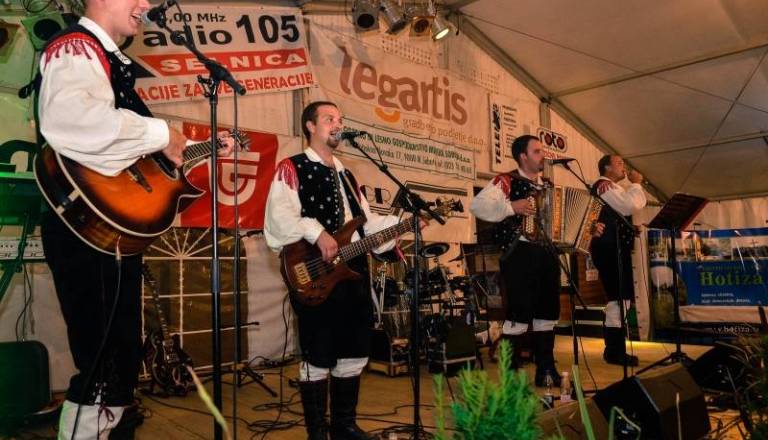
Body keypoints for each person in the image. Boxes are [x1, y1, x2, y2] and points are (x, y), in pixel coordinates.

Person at [35, 1, 234, 438]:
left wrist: (185, 148)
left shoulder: (108, 60)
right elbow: (78, 122)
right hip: (86, 229)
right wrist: (161, 133)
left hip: (110, 233)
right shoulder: (76, 48)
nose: (146, 4)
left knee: (118, 361)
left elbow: (136, 156)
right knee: (103, 364)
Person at [264, 101, 423, 440]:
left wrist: (400, 227)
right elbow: (279, 216)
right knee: (319, 352)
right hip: (315, 275)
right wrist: (316, 232)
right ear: (310, 126)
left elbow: (365, 225)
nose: (337, 124)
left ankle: (344, 426)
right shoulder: (292, 167)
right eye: (329, 119)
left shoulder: (348, 176)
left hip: (353, 276)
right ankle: (317, 432)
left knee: (353, 349)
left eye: (340, 119)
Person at [470, 135, 564, 387]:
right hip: (519, 253)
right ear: (523, 156)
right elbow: (478, 206)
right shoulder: (507, 180)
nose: (543, 155)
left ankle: (546, 370)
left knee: (547, 311)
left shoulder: (549, 185)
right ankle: (509, 375)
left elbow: (559, 224)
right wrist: (512, 207)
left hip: (547, 253)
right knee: (519, 313)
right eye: (537, 151)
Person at [589, 155, 647, 366]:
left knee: (621, 299)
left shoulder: (612, 187)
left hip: (614, 247)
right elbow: (629, 206)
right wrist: (636, 184)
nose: (624, 167)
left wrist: (629, 228)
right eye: (619, 163)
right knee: (618, 299)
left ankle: (615, 349)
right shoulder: (604, 186)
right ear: (607, 167)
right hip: (608, 248)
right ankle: (614, 351)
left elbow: (617, 214)